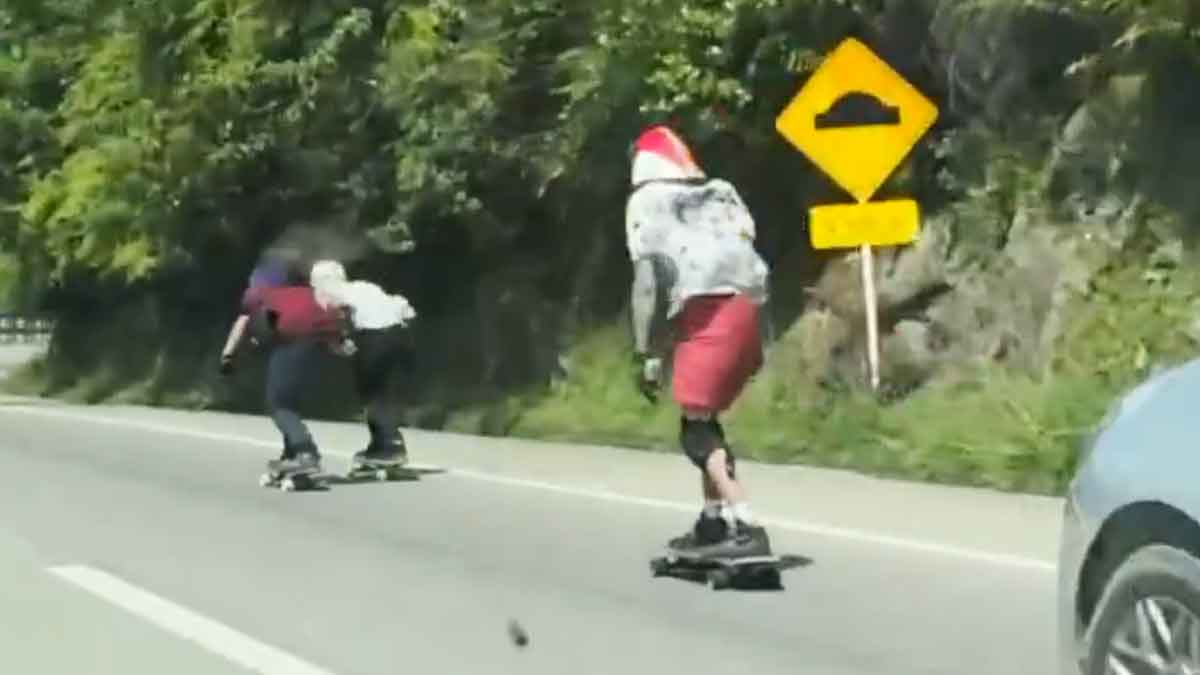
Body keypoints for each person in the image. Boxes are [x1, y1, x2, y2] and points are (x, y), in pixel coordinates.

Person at [625, 124, 773, 558]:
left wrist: (645, 353)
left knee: (696, 433)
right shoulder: (723, 191)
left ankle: (746, 522)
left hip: (706, 314)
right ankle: (712, 521)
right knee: (706, 420)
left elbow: (648, 282)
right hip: (747, 309)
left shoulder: (647, 202)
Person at [220, 255, 348, 475]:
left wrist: (228, 356)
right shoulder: (309, 293)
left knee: (278, 404)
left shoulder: (261, 293)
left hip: (291, 342)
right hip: (319, 346)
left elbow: (242, 324)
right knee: (289, 401)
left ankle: (304, 453)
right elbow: (335, 320)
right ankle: (291, 453)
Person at [309, 259, 417, 466]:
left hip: (374, 337)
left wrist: (340, 341)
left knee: (371, 395)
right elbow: (406, 308)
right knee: (383, 392)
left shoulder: (327, 292)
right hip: (400, 336)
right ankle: (381, 444)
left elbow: (334, 316)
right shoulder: (365, 286)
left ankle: (391, 446)